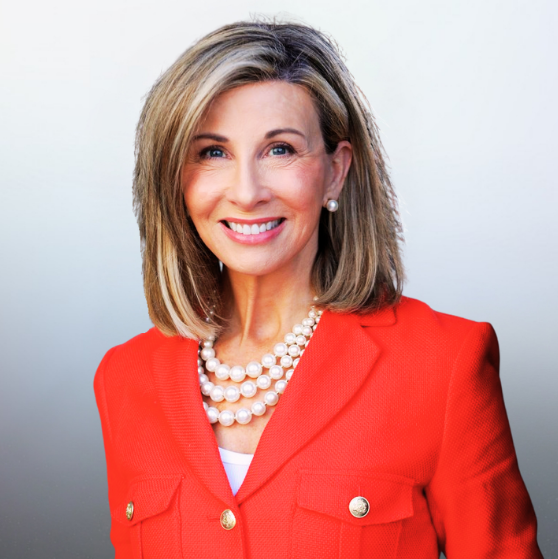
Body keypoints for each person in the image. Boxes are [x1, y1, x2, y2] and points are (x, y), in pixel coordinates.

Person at [94, 20, 543, 559]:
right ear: (174, 179)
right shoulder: (123, 378)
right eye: (212, 152)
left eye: (280, 149)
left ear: (335, 171)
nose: (247, 192)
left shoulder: (444, 364)